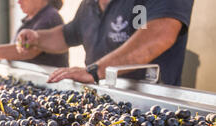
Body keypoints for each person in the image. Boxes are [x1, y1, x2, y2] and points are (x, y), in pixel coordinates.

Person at [16, 0, 194, 86]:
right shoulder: (89, 4)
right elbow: (67, 35)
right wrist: (37, 38)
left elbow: (160, 34)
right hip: (103, 101)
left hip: (149, 107)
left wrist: (95, 70)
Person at [0, 0, 69, 68]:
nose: (18, 2)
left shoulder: (49, 18)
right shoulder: (32, 18)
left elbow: (28, 50)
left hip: (48, 84)